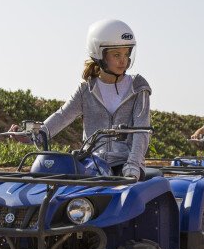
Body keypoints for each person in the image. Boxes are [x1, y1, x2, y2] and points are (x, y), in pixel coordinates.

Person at [11, 19, 151, 180]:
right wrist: (31, 136)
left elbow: (142, 132)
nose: (123, 60)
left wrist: (132, 167)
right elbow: (61, 116)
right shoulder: (86, 89)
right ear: (100, 55)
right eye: (116, 54)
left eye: (127, 54)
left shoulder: (138, 87)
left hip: (127, 165)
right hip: (94, 163)